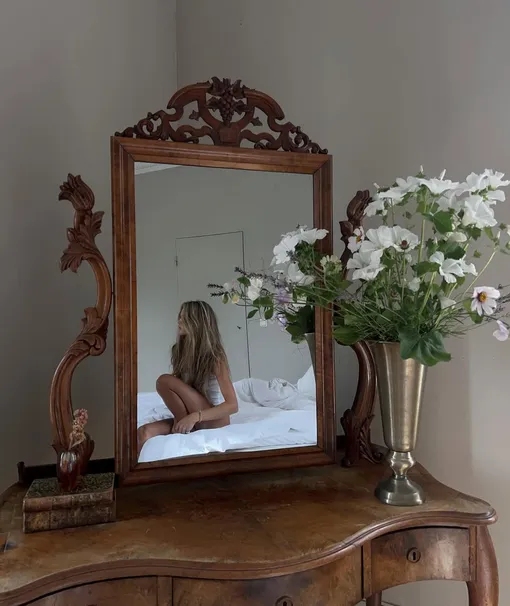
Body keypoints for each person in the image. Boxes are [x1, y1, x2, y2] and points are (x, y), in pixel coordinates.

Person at [137, 300, 238, 455]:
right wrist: (182, 418)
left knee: (164, 381)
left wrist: (194, 417)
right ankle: (140, 472)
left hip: (212, 420)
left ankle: (185, 430)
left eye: (184, 318)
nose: (179, 321)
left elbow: (232, 405)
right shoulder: (178, 350)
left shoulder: (214, 356)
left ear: (196, 322)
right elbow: (179, 393)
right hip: (189, 415)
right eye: (179, 317)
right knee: (143, 433)